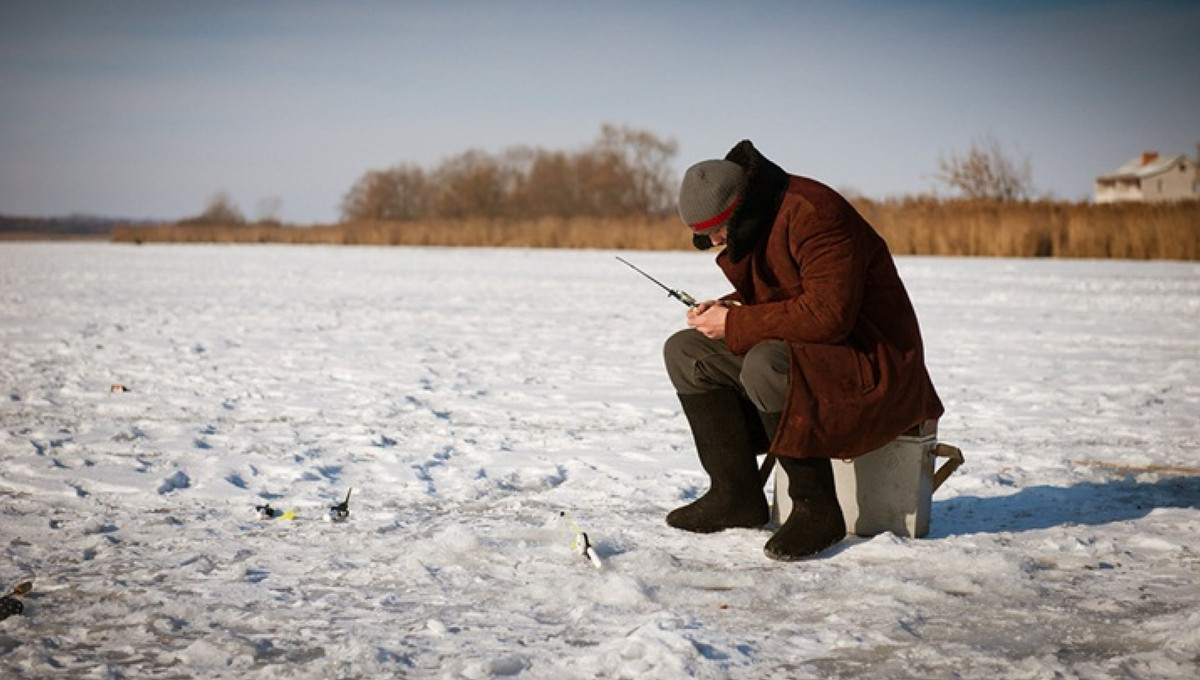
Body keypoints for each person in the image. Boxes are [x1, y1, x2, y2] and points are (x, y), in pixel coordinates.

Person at [663, 140, 944, 561]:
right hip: (820, 357)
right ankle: (735, 495)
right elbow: (783, 300)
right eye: (705, 238)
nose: (716, 242)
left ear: (738, 211)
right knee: (687, 352)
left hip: (873, 365)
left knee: (766, 363)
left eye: (717, 232)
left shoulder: (816, 214)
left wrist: (737, 323)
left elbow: (828, 317)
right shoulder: (760, 218)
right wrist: (730, 307)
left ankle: (817, 508)